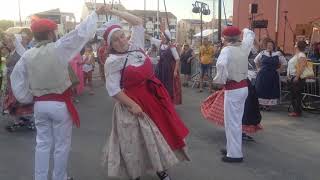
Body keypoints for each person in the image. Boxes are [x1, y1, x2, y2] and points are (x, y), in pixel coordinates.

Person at [10, 6, 109, 180]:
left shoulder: (28, 55)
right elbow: (80, 33)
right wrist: (94, 13)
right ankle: (59, 177)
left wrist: (27, 97)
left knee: (42, 144)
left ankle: (40, 178)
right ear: (50, 34)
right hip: (60, 105)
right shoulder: (59, 48)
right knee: (61, 145)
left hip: (40, 104)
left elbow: (17, 79)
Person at [101, 8, 189, 180]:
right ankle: (135, 174)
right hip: (132, 103)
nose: (120, 41)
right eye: (115, 40)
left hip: (154, 98)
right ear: (110, 45)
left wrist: (113, 11)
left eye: (121, 36)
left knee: (160, 136)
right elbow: (113, 90)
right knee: (136, 142)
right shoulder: (112, 61)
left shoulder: (136, 46)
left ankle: (160, 169)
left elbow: (137, 21)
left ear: (126, 35)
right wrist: (133, 105)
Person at [213, 26, 255, 163]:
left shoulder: (227, 50)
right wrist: (244, 29)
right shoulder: (244, 47)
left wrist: (219, 80)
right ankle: (232, 148)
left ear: (225, 39)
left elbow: (221, 65)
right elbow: (250, 34)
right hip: (243, 87)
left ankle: (235, 154)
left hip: (233, 88)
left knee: (232, 122)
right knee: (234, 121)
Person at [1, 33, 34, 132]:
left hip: (18, 81)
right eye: (8, 42)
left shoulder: (21, 52)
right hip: (10, 81)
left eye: (10, 41)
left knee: (19, 102)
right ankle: (18, 121)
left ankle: (31, 121)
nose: (8, 43)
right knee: (12, 102)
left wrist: (14, 38)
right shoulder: (10, 53)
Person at [146, 29, 182, 105]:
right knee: (159, 84)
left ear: (166, 37)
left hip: (168, 69)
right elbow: (151, 40)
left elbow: (177, 59)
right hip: (160, 68)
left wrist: (175, 71)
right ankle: (160, 101)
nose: (161, 37)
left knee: (168, 86)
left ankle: (168, 102)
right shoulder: (160, 44)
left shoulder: (172, 47)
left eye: (162, 35)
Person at [254, 39, 287, 111]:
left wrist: (279, 70)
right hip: (262, 74)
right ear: (266, 46)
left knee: (270, 90)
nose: (269, 46)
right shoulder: (262, 53)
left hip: (273, 75)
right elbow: (256, 61)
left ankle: (268, 106)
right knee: (261, 89)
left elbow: (284, 63)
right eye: (268, 45)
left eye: (271, 45)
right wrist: (258, 69)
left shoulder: (278, 54)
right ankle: (261, 105)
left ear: (273, 46)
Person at [287, 41, 308, 117]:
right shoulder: (298, 55)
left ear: (297, 46)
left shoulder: (301, 55)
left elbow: (302, 66)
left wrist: (297, 76)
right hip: (293, 77)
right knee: (295, 95)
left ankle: (297, 111)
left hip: (297, 78)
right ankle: (296, 111)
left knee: (296, 95)